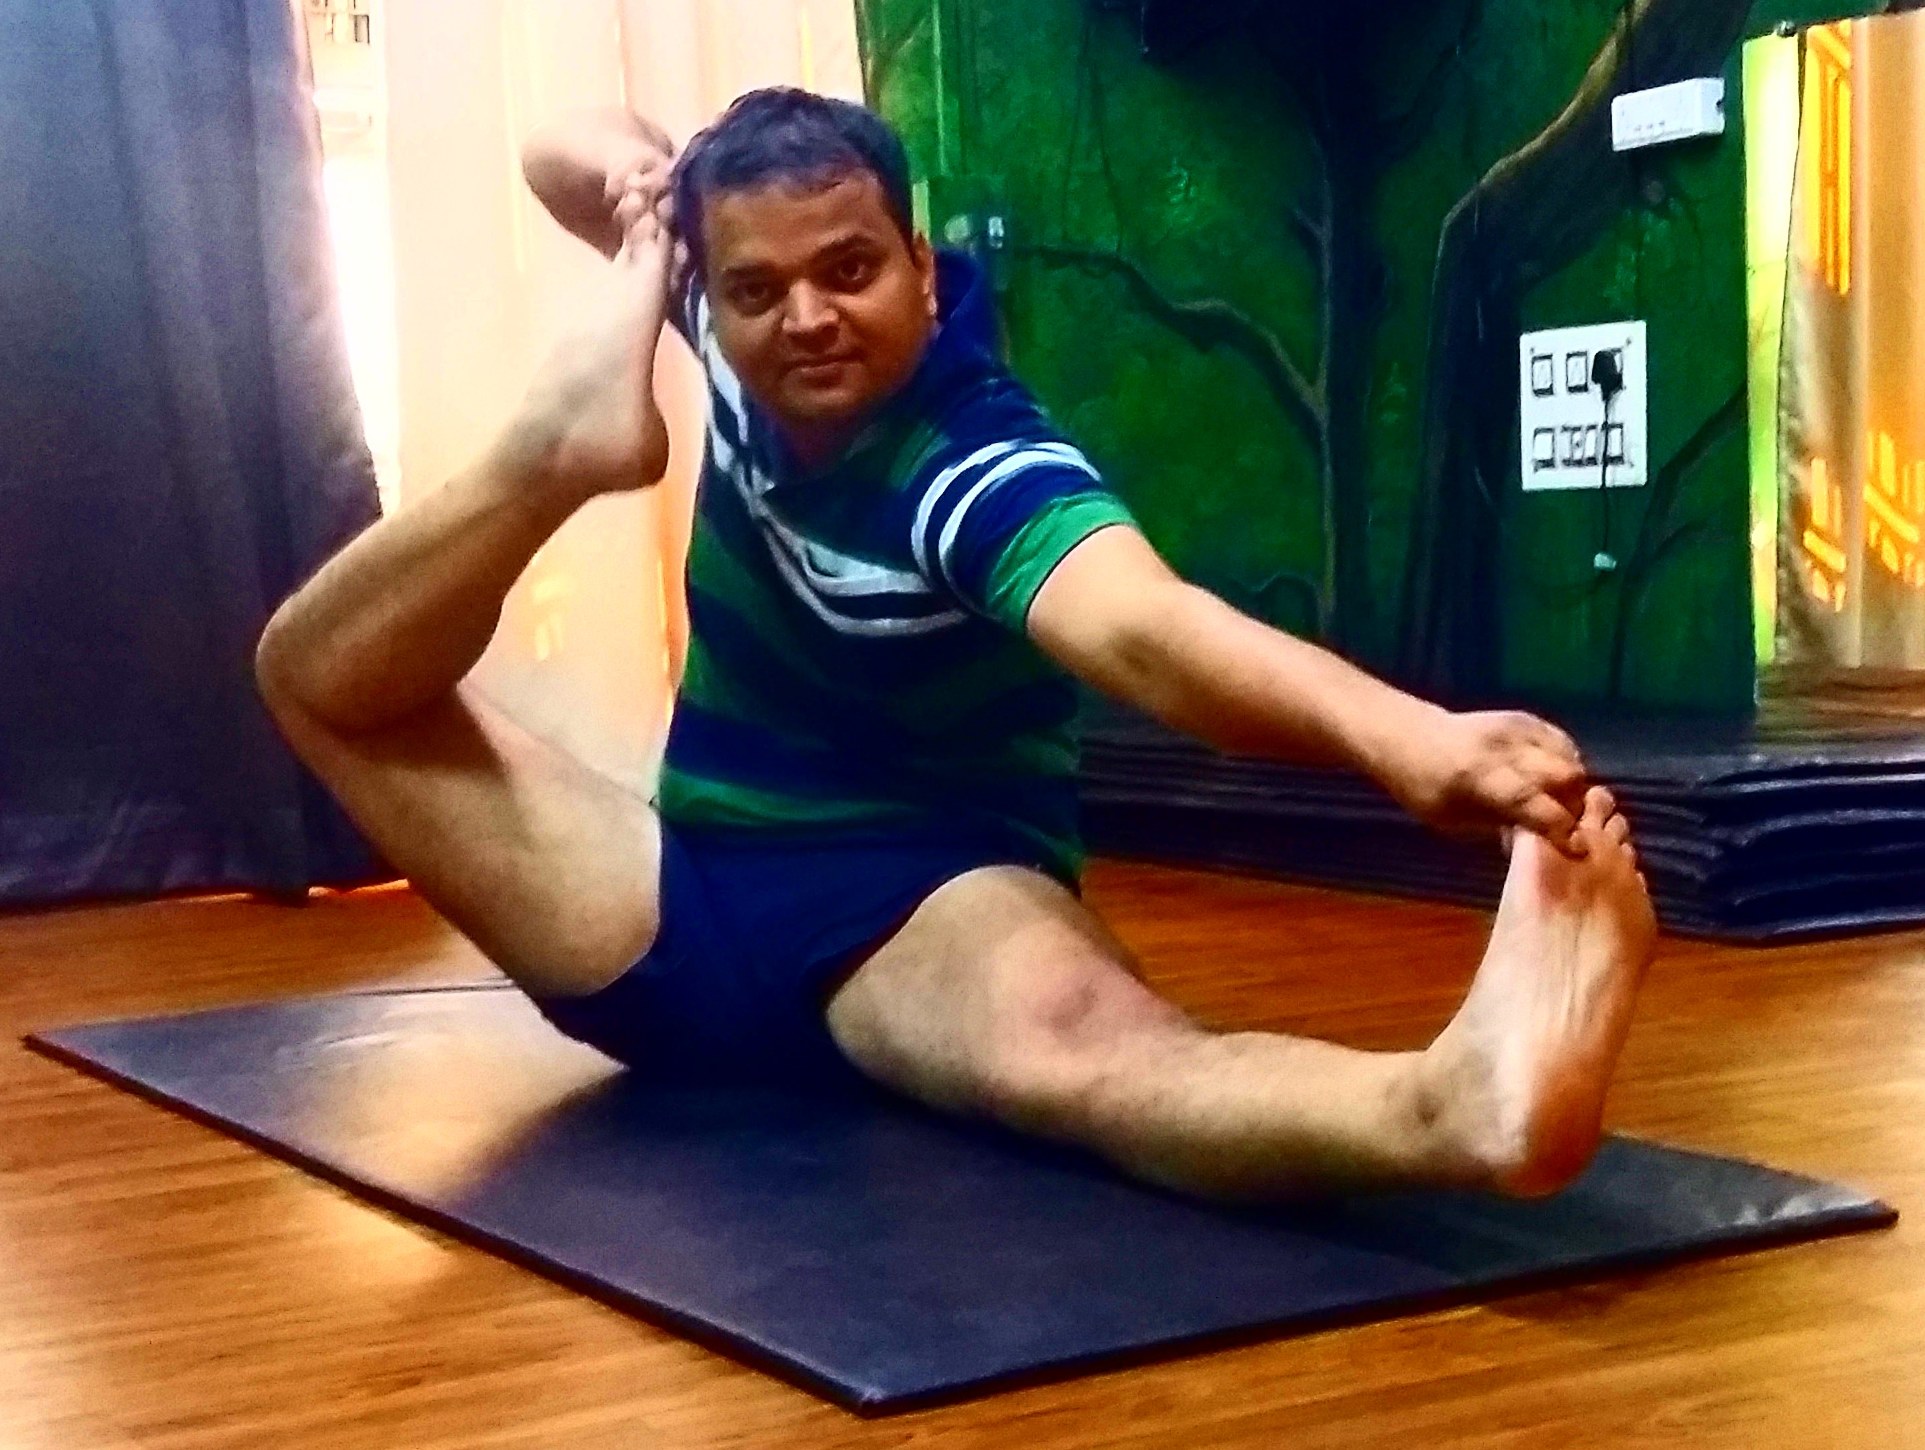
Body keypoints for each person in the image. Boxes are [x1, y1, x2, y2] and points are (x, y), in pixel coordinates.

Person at [255, 88, 1655, 1203]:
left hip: (918, 911)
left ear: (923, 268)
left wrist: (1414, 741)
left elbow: (1148, 633)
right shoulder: (724, 304)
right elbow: (554, 143)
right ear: (709, 282)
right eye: (756, 289)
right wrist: (644, 209)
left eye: (851, 270)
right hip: (670, 901)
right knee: (317, 675)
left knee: (1100, 1065)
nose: (805, 317)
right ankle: (556, 453)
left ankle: (1456, 1103)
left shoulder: (972, 461)